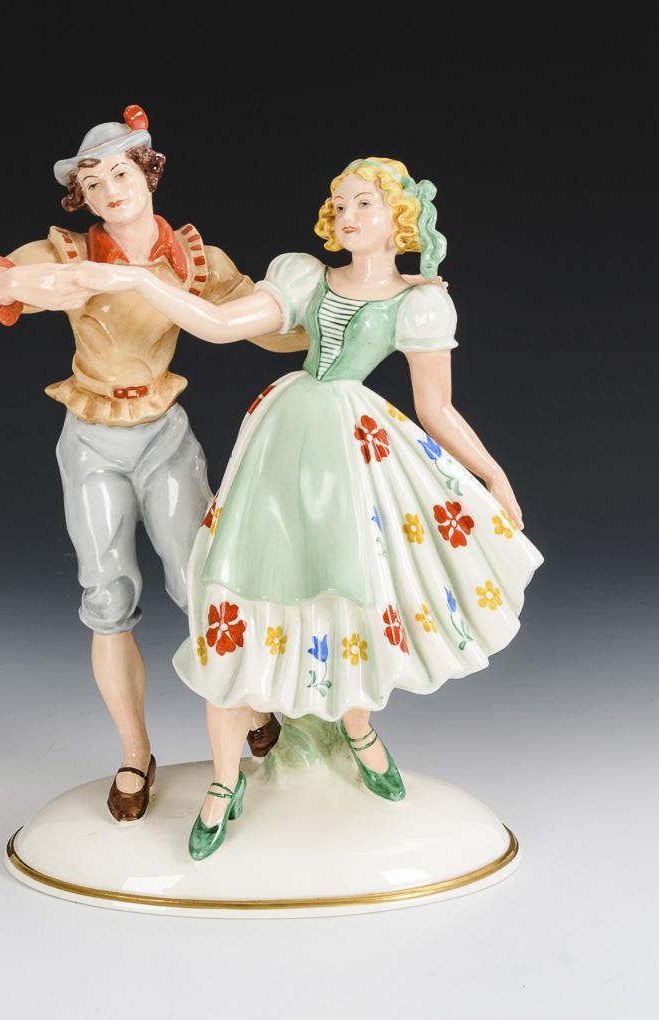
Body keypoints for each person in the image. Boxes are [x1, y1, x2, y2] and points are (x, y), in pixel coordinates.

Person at [75, 156, 543, 858]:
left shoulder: (420, 303)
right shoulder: (305, 278)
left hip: (351, 450)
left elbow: (437, 408)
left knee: (344, 591)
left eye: (365, 204)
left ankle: (356, 727)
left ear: (398, 219)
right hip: (282, 441)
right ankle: (225, 779)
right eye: (340, 204)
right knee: (238, 589)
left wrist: (494, 475)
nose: (348, 216)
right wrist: (146, 279)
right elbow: (219, 324)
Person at [0, 106, 304, 823]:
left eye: (121, 174)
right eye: (93, 183)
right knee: (106, 597)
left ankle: (248, 705)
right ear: (83, 198)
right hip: (92, 437)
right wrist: (10, 285)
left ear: (149, 174)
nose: (110, 190)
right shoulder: (68, 257)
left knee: (202, 583)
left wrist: (344, 315)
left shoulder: (195, 261)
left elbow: (265, 323)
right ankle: (136, 753)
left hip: (163, 434)